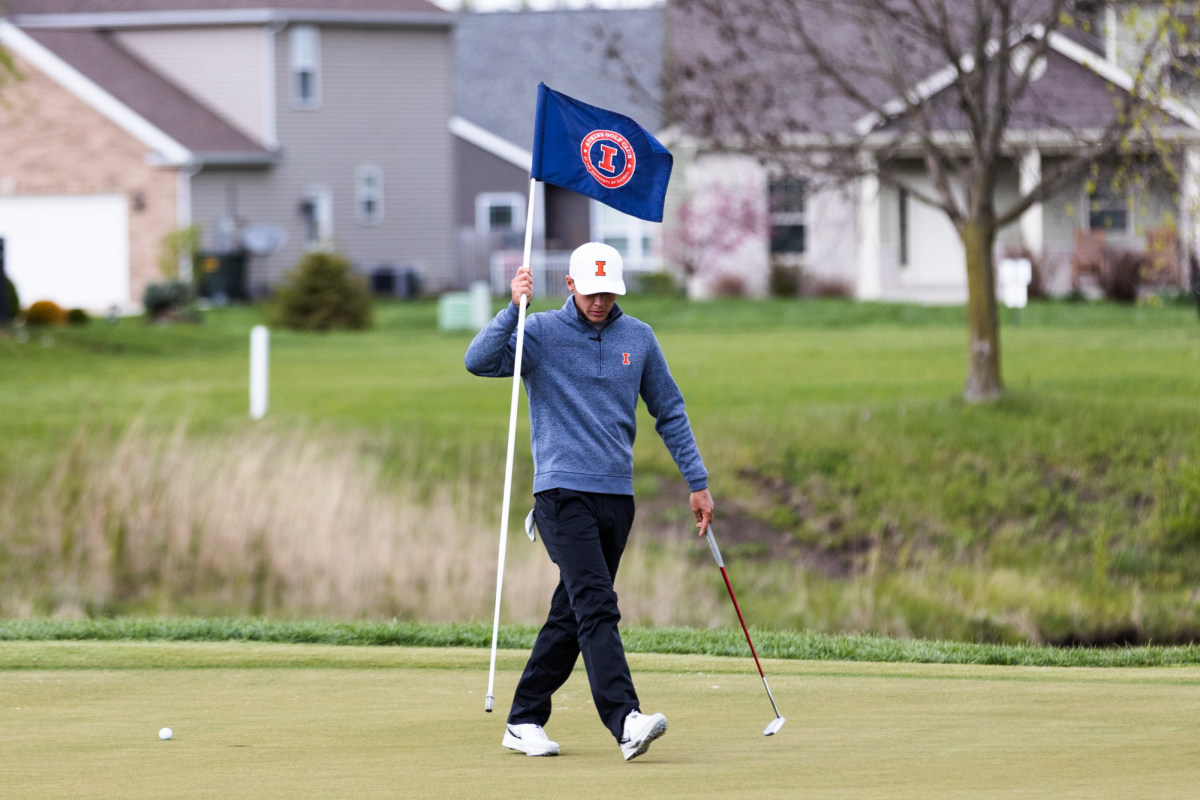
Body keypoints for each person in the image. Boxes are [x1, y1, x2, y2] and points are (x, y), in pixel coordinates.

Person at [465, 242, 714, 762]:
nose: (600, 301)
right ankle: (626, 720)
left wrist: (697, 480)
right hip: (560, 493)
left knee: (573, 613)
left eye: (608, 292)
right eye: (591, 291)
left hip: (616, 497)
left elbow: (668, 409)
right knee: (598, 605)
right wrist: (513, 309)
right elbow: (478, 361)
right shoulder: (539, 332)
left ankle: (524, 717)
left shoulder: (638, 339)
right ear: (570, 286)